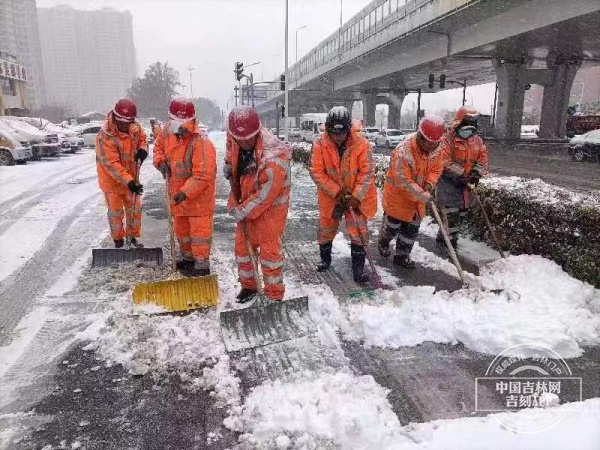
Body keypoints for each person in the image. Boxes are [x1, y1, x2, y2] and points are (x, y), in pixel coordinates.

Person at [224, 106, 292, 303]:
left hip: (269, 215)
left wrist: (242, 210)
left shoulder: (274, 159)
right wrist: (229, 166)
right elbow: (231, 151)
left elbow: (265, 195)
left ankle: (274, 296)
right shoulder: (235, 139)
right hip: (245, 207)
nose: (244, 143)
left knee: (270, 258)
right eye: (240, 139)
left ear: (258, 133)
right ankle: (249, 287)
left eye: (248, 139)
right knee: (243, 252)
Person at [309, 106, 377, 283]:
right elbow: (317, 172)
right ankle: (325, 259)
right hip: (331, 197)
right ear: (328, 129)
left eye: (342, 133)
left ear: (349, 129)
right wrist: (336, 191)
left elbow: (367, 172)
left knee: (359, 232)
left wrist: (356, 196)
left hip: (356, 199)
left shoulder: (362, 145)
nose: (338, 137)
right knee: (326, 229)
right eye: (334, 133)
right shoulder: (319, 145)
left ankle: (358, 270)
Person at [153, 97, 217, 276]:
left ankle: (202, 265)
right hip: (177, 196)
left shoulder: (201, 141)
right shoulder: (166, 131)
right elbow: (158, 147)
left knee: (199, 235)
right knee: (182, 232)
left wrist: (184, 192)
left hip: (198, 200)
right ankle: (188, 259)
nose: (178, 127)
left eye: (182, 123)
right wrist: (160, 162)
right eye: (175, 122)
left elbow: (203, 175)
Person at [378, 116, 446, 268]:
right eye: (430, 143)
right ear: (421, 138)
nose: (432, 147)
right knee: (391, 229)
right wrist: (423, 195)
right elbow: (403, 182)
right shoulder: (403, 152)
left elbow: (436, 169)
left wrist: (429, 184)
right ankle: (383, 242)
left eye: (435, 143)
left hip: (418, 202)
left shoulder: (437, 150)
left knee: (410, 232)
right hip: (397, 200)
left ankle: (402, 256)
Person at [95, 98, 148, 248]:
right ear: (116, 118)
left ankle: (131, 238)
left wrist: (143, 150)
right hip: (111, 181)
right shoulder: (105, 136)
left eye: (128, 122)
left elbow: (142, 139)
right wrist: (129, 182)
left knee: (135, 208)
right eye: (122, 122)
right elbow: (111, 165)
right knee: (116, 212)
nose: (125, 126)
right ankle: (118, 241)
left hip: (131, 177)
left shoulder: (135, 127)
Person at [436, 107, 489, 249]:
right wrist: (460, 175)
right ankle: (448, 244)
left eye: (472, 128)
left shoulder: (477, 141)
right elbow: (443, 161)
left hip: (466, 189)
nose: (469, 131)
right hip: (449, 187)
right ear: (458, 124)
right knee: (451, 217)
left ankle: (444, 237)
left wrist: (476, 174)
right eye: (466, 126)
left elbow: (482, 158)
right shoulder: (447, 140)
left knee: (460, 217)